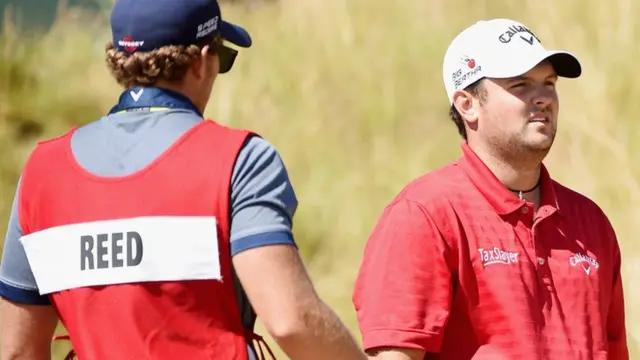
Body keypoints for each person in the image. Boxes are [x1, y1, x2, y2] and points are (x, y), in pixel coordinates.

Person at [0, 1, 367, 359]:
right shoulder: (241, 160)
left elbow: (17, 350)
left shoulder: (42, 172)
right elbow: (291, 321)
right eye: (223, 59)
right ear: (201, 61)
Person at [352, 18, 629, 360]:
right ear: (467, 104)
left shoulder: (591, 222)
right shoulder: (424, 214)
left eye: (549, 83)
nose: (542, 97)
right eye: (521, 85)